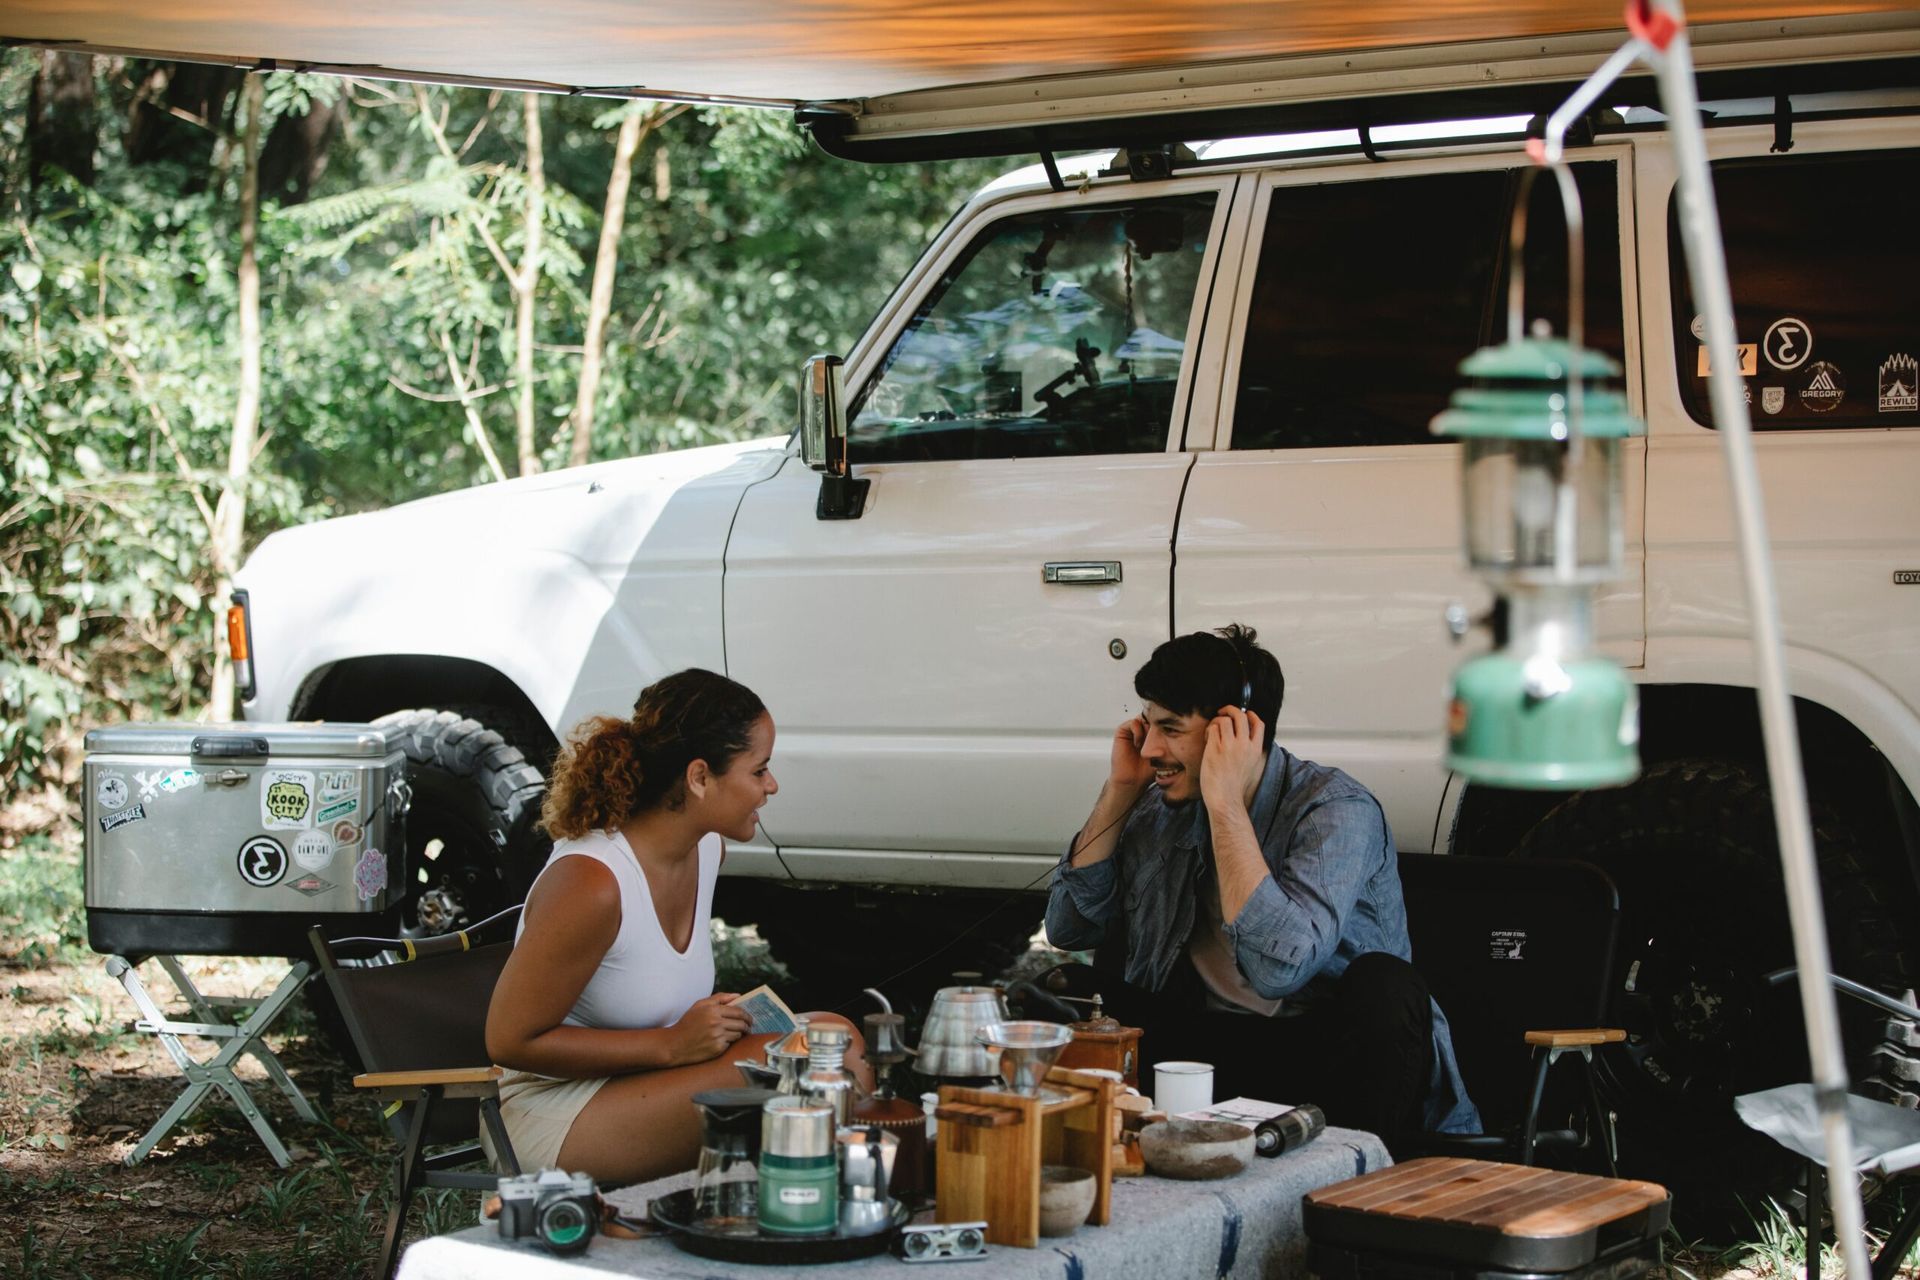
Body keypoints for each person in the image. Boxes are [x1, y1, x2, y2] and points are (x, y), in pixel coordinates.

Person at [1045, 625, 1478, 1139]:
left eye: (1171, 728)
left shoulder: (1334, 809)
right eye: (1147, 725)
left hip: (1320, 1054)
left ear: (1236, 729)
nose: (1151, 748)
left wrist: (1226, 804)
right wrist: (1119, 792)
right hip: (1205, 1050)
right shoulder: (1159, 805)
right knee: (1058, 993)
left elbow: (1278, 971)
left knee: (1386, 986)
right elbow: (1067, 929)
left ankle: (1351, 1181)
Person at [483, 668, 870, 1183]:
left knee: (833, 1038)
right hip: (547, 1112)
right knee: (793, 1071)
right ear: (699, 777)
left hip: (637, 1083)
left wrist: (706, 1025)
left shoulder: (706, 850)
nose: (771, 785)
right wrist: (671, 1044)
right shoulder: (593, 882)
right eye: (759, 770)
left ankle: (823, 1205)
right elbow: (510, 1042)